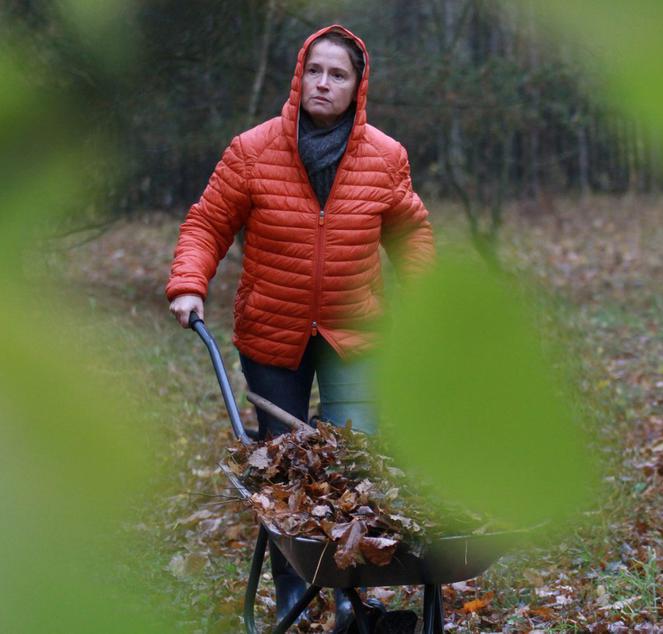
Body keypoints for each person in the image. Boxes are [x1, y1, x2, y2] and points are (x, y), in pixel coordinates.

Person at [167, 24, 434, 632]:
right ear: (298, 74)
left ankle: (351, 599)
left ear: (357, 87)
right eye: (315, 70)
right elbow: (208, 221)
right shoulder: (252, 149)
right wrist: (188, 283)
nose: (323, 82)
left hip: (354, 333)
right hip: (272, 332)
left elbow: (410, 233)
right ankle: (293, 593)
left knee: (353, 462)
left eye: (338, 74)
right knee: (286, 473)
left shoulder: (386, 157)